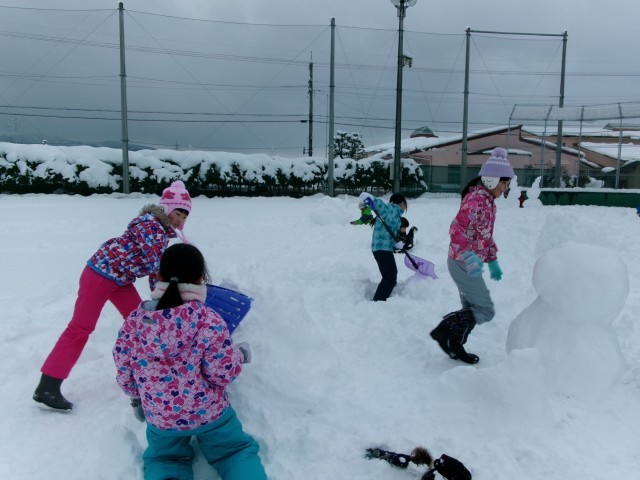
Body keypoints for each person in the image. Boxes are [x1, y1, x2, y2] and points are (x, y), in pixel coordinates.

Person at [33, 180, 193, 411]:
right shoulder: (150, 225)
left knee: (142, 323)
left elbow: (157, 268)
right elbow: (155, 267)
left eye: (185, 216)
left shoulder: (160, 231)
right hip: (100, 274)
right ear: (167, 208)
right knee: (81, 327)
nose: (181, 220)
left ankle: (147, 377)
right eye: (178, 213)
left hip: (120, 280)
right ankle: (48, 386)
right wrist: (165, 298)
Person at [113, 243, 267, 480]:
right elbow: (221, 373)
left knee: (165, 459)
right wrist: (239, 355)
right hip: (209, 414)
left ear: (159, 276)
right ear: (200, 280)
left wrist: (136, 398)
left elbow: (124, 366)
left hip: (161, 418)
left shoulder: (134, 322)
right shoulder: (208, 320)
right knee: (233, 452)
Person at [430, 147, 514, 364]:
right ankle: (444, 330)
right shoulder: (476, 201)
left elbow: (484, 235)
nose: (506, 189)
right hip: (462, 261)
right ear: (492, 180)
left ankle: (455, 345)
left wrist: (492, 260)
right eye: (505, 183)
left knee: (470, 309)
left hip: (467, 261)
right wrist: (469, 255)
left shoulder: (487, 201)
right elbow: (456, 230)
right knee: (484, 310)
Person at [359, 192, 408, 301]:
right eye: (405, 205)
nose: (405, 208)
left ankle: (380, 300)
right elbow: (380, 205)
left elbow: (392, 234)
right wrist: (371, 199)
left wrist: (397, 244)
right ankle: (378, 302)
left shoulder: (397, 218)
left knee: (390, 276)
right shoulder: (390, 209)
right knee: (390, 277)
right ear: (402, 203)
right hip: (381, 247)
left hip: (385, 248)